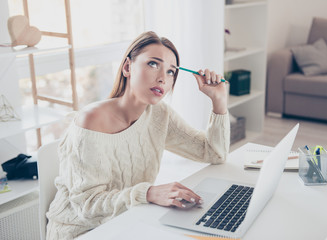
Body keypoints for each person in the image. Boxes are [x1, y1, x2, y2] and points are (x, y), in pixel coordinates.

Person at [46, 31, 230, 239]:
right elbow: (87, 206)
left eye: (171, 72)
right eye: (153, 64)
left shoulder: (160, 115)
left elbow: (214, 153)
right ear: (127, 67)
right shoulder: (91, 121)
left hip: (127, 221)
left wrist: (219, 102)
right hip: (81, 231)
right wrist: (149, 193)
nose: (162, 78)